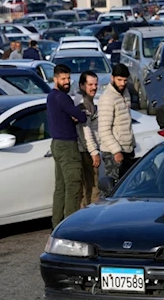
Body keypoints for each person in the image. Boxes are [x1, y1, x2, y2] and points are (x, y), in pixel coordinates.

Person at [47, 64, 88, 229]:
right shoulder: (62, 97)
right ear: (55, 79)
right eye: (63, 79)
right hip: (67, 145)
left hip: (57, 144)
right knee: (73, 186)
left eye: (68, 78)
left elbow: (67, 114)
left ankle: (56, 224)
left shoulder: (51, 96)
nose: (67, 81)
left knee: (61, 187)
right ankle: (70, 227)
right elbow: (81, 116)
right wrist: (81, 115)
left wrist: (73, 116)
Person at [98, 63, 136, 184]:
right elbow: (104, 130)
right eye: (119, 80)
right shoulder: (107, 98)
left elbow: (126, 122)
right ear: (112, 78)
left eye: (125, 80)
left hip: (127, 149)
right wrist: (116, 151)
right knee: (113, 188)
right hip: (113, 152)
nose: (122, 83)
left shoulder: (125, 93)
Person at [76, 71, 101, 207]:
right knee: (91, 189)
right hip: (85, 151)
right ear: (81, 85)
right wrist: (94, 151)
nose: (94, 87)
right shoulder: (81, 103)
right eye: (90, 84)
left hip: (87, 150)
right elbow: (84, 130)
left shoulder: (90, 102)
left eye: (96, 84)